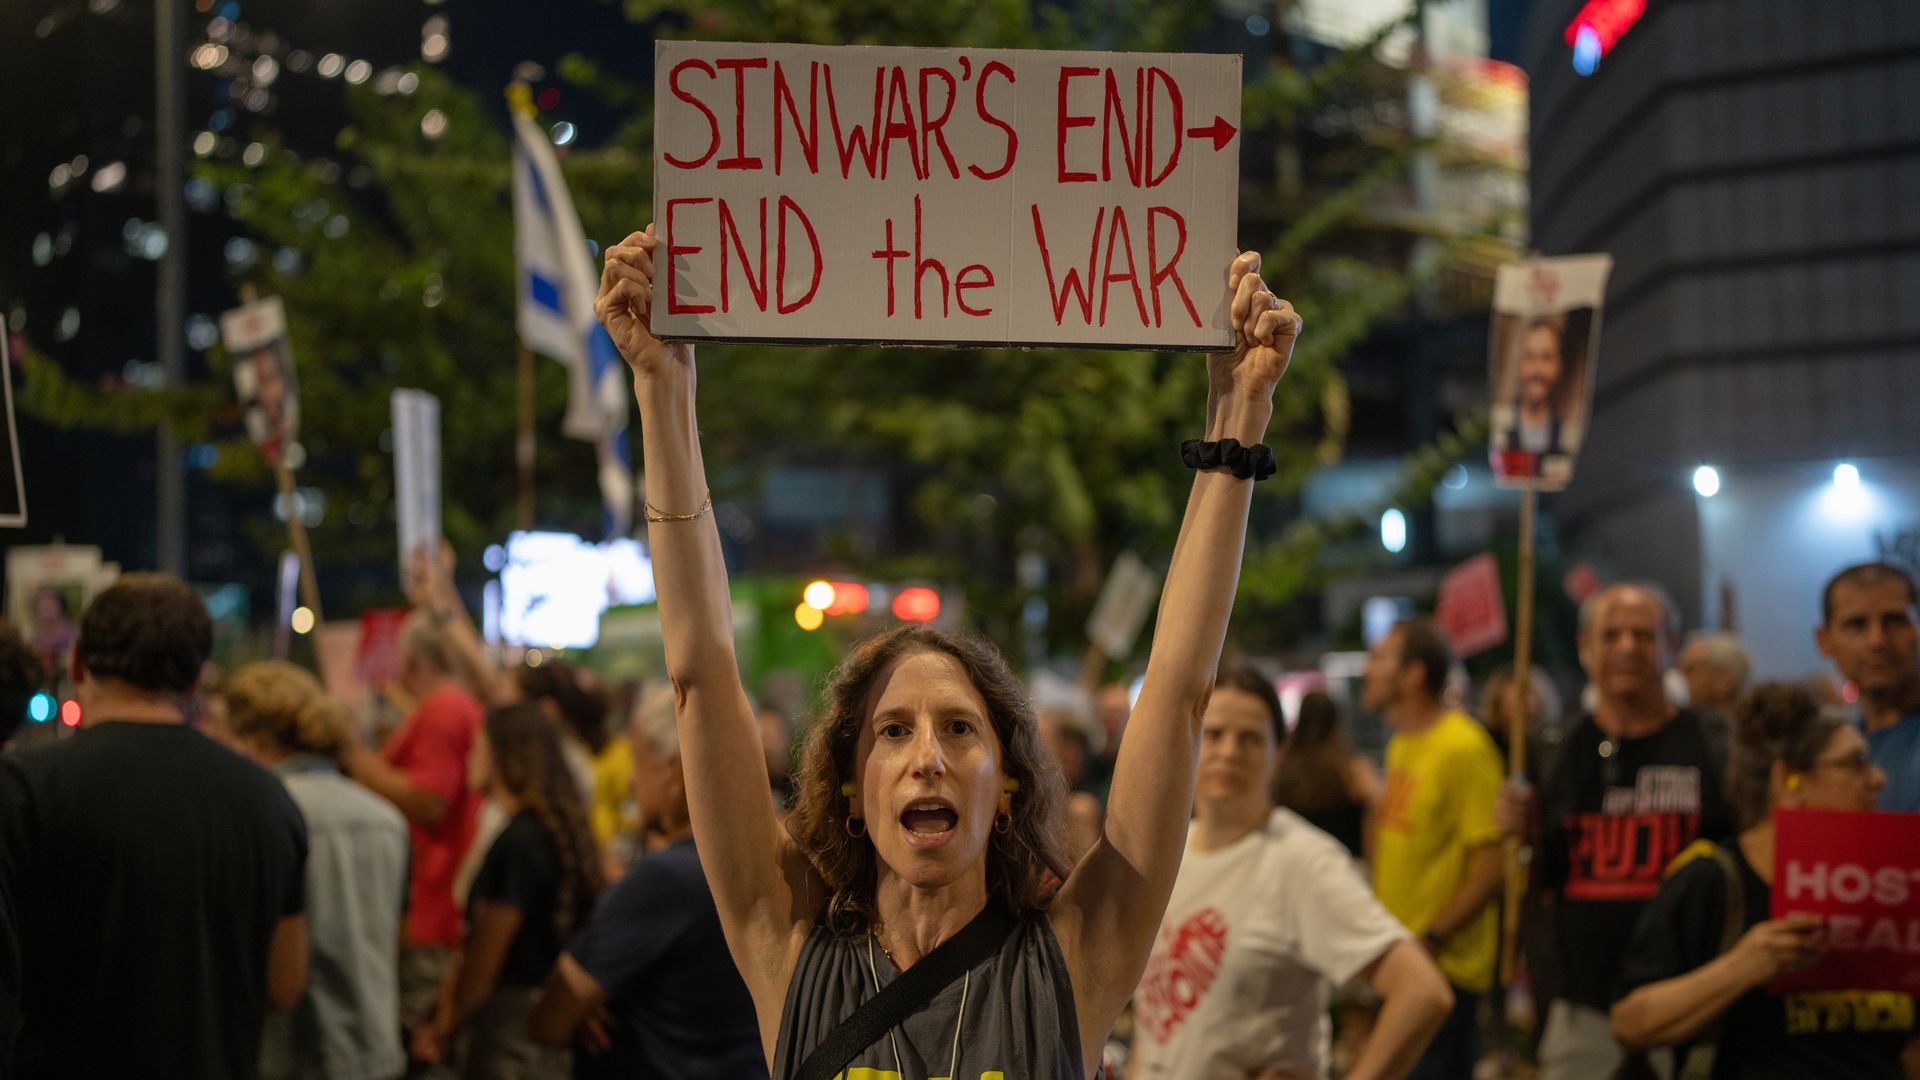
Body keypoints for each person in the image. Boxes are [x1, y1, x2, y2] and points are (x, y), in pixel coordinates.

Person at [595, 227, 1299, 1078]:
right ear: (852, 791)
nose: (927, 756)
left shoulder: (1076, 957)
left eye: (960, 730)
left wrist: (1238, 413)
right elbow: (700, 676)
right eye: (893, 732)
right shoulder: (782, 942)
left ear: (1005, 788)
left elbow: (1180, 692)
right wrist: (663, 391)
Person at [0, 573, 308, 1079]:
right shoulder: (268, 798)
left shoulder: (25, 790)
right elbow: (285, 984)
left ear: (78, 662)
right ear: (193, 681)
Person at [1131, 661, 1452, 1080]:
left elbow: (1421, 992)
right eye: (1214, 734)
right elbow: (1156, 1021)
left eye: (1249, 739)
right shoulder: (1167, 854)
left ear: (1277, 753)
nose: (1229, 751)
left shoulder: (1302, 861)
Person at [1611, 682, 1917, 1077]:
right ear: (1789, 781)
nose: (1878, 778)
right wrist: (1745, 965)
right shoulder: (1713, 878)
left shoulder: (1890, 883)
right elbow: (1630, 1024)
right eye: (1855, 763)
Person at [1497, 583, 1735, 1080]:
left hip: (1698, 1007)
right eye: (1611, 636)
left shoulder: (1714, 744)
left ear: (1670, 647)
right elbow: (1538, 869)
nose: (1627, 647)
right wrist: (1517, 831)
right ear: (1586, 649)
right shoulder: (1553, 750)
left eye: (1643, 636)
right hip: (1584, 1009)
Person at [529, 687, 768, 1079]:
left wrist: (590, 1006)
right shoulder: (764, 863)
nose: (631, 782)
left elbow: (549, 1021)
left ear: (675, 772)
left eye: (640, 762)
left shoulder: (665, 880)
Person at [222, 661, 411, 1080]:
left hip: (292, 1056)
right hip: (375, 1050)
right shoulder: (385, 818)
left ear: (253, 739)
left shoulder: (259, 816)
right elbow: (396, 936)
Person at [412, 703, 603, 1078]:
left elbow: (484, 962)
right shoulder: (551, 833)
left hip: (509, 1036)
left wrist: (442, 1027)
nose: (470, 756)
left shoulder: (519, 842)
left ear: (504, 755)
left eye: (478, 747)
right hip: (543, 1030)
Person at [1364, 618, 1505, 1079]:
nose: (1368, 669)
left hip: (1445, 972)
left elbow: (1491, 867)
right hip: (1405, 963)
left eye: (1381, 658)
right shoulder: (1402, 743)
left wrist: (1431, 939)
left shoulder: (1464, 748)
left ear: (1414, 675)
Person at [338, 613, 487, 1051]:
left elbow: (429, 799)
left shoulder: (443, 709)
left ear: (416, 659)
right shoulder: (450, 706)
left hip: (434, 906)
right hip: (434, 905)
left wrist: (356, 756)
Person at [1815, 562, 1920, 812]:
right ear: (1824, 640)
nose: (1877, 640)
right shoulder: (1831, 747)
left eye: (1895, 621)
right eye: (1857, 625)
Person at [1273, 689, 1380, 860]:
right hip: (1347, 864)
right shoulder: (1352, 769)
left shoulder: (1282, 767)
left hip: (1296, 862)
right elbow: (1375, 808)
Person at [1679, 631, 1751, 766]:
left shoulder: (1750, 742)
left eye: (1691, 669)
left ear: (1725, 680)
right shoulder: (1680, 732)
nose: (1680, 677)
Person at [1505, 315, 1570, 458]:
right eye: (1530, 357)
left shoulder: (1569, 433)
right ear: (1519, 364)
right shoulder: (1501, 425)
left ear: (1559, 366)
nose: (1537, 370)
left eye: (1546, 357)